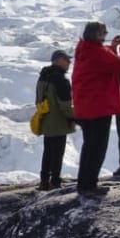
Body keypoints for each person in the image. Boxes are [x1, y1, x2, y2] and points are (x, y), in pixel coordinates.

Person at [71, 21, 120, 196]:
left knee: (89, 146)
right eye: (103, 32)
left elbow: (104, 61)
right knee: (97, 148)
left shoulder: (84, 49)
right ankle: (89, 186)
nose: (106, 33)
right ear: (96, 34)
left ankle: (84, 183)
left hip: (85, 107)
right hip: (98, 107)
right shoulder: (97, 53)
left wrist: (112, 48)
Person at [33, 49, 74, 189]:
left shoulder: (42, 77)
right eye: (67, 60)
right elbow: (65, 105)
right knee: (58, 152)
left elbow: (38, 100)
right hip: (59, 122)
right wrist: (75, 117)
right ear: (59, 61)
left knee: (48, 151)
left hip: (46, 121)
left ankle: (44, 180)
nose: (69, 63)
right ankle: (55, 181)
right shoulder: (61, 80)